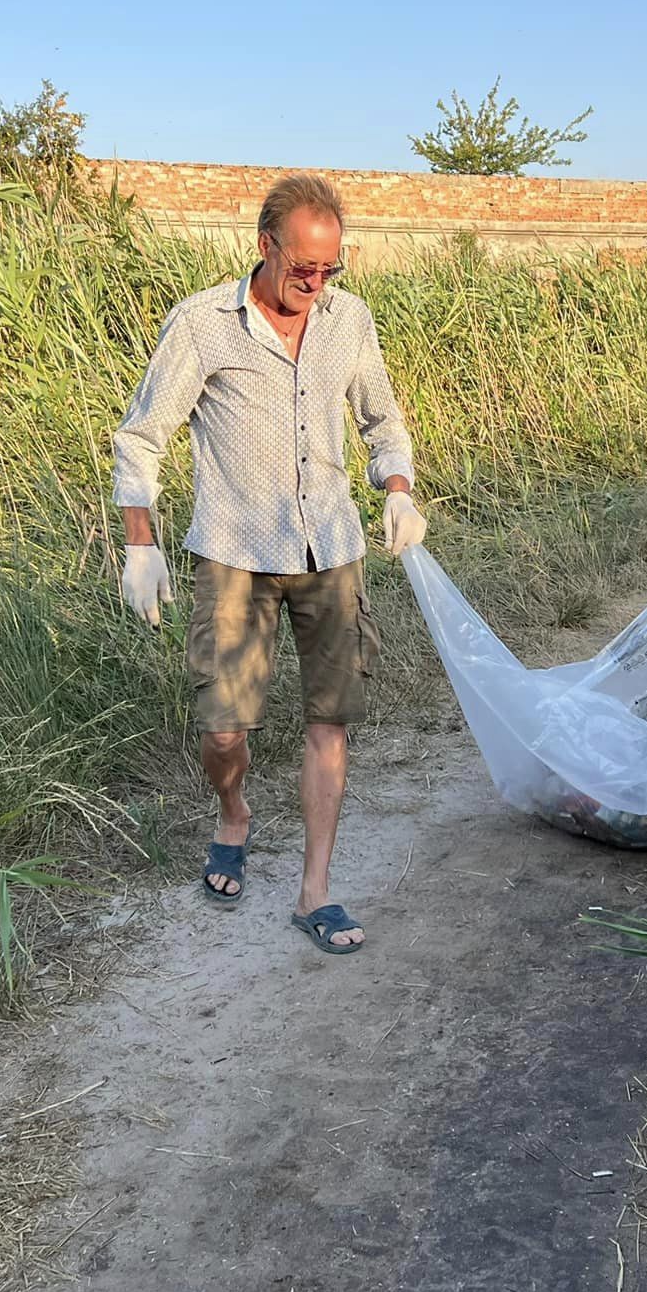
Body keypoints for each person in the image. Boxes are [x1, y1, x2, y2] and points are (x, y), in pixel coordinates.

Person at [111, 173, 427, 955]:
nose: (316, 286)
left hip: (332, 546)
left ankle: (315, 890)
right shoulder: (202, 325)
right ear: (265, 247)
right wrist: (139, 541)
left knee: (331, 720)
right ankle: (234, 813)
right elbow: (141, 437)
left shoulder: (348, 320)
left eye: (330, 271)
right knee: (223, 728)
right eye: (302, 270)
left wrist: (396, 489)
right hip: (235, 553)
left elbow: (382, 418)